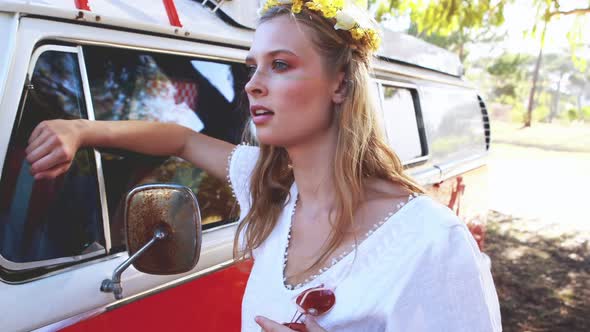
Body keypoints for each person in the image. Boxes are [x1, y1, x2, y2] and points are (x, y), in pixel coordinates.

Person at [25, 1, 502, 331]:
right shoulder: (271, 189)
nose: (252, 84)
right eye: (252, 67)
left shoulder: (431, 241)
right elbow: (181, 139)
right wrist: (79, 129)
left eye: (280, 64)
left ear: (340, 83)